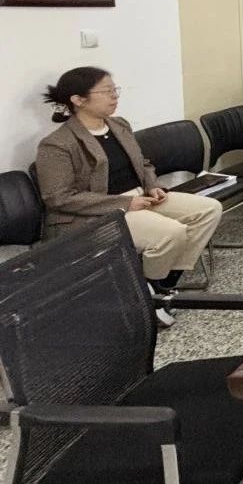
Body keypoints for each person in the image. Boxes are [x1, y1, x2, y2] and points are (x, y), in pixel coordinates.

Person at [35, 67, 223, 326]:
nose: (114, 96)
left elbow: (142, 163)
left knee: (209, 209)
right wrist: (125, 203)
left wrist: (153, 186)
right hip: (99, 213)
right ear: (78, 100)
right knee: (172, 233)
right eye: (106, 91)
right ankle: (148, 293)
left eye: (115, 90)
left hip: (142, 198)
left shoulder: (119, 125)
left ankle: (157, 284)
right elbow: (58, 197)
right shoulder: (57, 143)